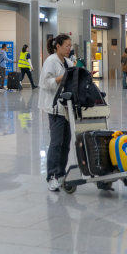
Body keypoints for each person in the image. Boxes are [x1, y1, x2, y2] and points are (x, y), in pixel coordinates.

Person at [40, 34, 75, 191]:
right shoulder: (51, 61)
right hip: (55, 108)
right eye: (66, 45)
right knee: (56, 143)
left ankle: (61, 173)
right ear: (58, 46)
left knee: (66, 143)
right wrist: (60, 78)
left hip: (67, 109)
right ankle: (52, 176)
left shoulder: (67, 62)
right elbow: (45, 83)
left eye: (70, 45)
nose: (69, 48)